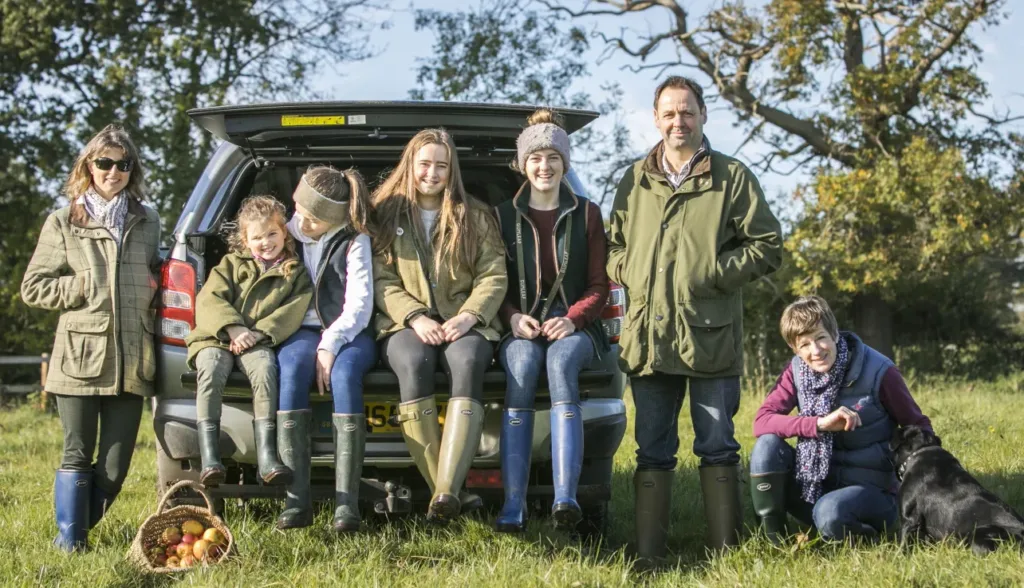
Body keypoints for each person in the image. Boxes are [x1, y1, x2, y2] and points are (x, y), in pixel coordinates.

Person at [606, 76, 784, 556]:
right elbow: (613, 245)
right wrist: (631, 270)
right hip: (648, 336)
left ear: (703, 115)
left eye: (686, 111)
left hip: (710, 334)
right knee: (652, 449)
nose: (677, 121)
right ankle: (649, 556)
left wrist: (713, 272)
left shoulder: (733, 176)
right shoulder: (634, 178)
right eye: (669, 113)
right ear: (656, 118)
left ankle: (726, 552)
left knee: (718, 445)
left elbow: (768, 245)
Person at [21, 124, 162, 551]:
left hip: (133, 355)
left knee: (116, 466)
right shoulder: (63, 220)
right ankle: (71, 545)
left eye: (123, 164)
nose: (113, 171)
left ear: (131, 169)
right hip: (79, 355)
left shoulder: (149, 218)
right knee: (76, 456)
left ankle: (75, 532)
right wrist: (79, 287)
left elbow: (156, 272)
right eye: (104, 163)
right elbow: (33, 286)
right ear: (89, 165)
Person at [372, 128, 508, 523]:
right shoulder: (386, 212)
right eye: (425, 164)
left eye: (441, 166)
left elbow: (494, 275)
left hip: (467, 323)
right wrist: (414, 316)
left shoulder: (475, 215)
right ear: (410, 165)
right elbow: (380, 279)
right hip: (402, 324)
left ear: (452, 171)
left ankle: (445, 490)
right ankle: (448, 493)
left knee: (468, 362)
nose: (432, 173)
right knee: (413, 364)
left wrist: (469, 315)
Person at [493, 109, 609, 532]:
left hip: (576, 326)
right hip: (520, 325)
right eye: (536, 159)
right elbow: (495, 285)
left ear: (565, 163)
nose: (545, 167)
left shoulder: (588, 214)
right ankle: (513, 505)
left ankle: (565, 498)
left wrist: (574, 320)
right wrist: (512, 318)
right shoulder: (502, 215)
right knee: (522, 365)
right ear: (524, 164)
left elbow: (599, 285)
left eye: (553, 159)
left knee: (560, 363)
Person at [750, 295, 932, 543]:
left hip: (872, 491)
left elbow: (918, 427)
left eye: (820, 338)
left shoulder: (880, 370)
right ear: (794, 348)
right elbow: (762, 421)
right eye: (804, 345)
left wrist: (929, 491)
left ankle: (867, 535)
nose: (815, 351)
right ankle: (775, 542)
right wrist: (818, 424)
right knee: (766, 445)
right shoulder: (796, 371)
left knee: (829, 511)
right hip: (815, 486)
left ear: (834, 333)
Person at [273, 166, 377, 532]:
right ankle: (296, 501)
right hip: (299, 330)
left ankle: (346, 507)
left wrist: (331, 343)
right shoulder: (285, 234)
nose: (301, 221)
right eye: (299, 210)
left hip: (349, 332)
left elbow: (360, 306)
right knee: (291, 369)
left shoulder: (354, 241)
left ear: (333, 219)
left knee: (346, 375)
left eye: (313, 219)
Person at [186, 196, 312, 497]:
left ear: (285, 233)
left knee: (266, 369)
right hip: (216, 336)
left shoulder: (294, 272)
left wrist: (258, 334)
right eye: (257, 237)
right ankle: (210, 457)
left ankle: (267, 457)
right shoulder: (230, 265)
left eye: (272, 234)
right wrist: (233, 327)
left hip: (258, 339)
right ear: (245, 240)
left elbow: (293, 309)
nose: (266, 242)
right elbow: (209, 300)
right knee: (211, 368)